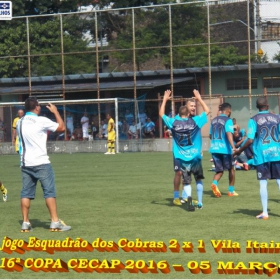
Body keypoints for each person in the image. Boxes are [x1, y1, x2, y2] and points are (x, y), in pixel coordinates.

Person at [16, 97, 71, 232]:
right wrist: (55, 112)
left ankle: (25, 222)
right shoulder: (41, 120)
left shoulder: (19, 122)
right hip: (41, 162)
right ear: (36, 107)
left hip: (25, 162)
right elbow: (62, 128)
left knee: (26, 193)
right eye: (39, 105)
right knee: (49, 192)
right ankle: (55, 222)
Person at [159, 89, 209, 210]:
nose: (193, 107)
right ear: (186, 111)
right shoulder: (195, 121)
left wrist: (165, 99)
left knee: (186, 180)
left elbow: (161, 114)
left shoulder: (174, 122)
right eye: (191, 106)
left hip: (182, 155)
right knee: (194, 179)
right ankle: (183, 197)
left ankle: (187, 196)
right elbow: (207, 111)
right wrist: (199, 97)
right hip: (194, 156)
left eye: (194, 105)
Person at [234, 97, 280, 220]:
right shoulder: (277, 118)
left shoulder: (253, 120)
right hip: (276, 154)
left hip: (262, 155)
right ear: (268, 105)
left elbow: (250, 140)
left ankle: (265, 213)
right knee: (279, 181)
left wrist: (239, 151)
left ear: (257, 106)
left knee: (263, 183)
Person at [209, 102, 237, 197]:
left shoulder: (213, 120)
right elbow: (229, 134)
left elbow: (210, 135)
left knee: (219, 171)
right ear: (228, 111)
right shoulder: (228, 120)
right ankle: (231, 191)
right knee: (231, 169)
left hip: (214, 149)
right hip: (225, 150)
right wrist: (233, 147)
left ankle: (214, 183)